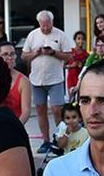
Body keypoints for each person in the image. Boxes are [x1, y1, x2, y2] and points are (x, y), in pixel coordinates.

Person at [23, 10, 73, 151]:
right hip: (37, 79)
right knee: (40, 109)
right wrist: (36, 53)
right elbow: (24, 56)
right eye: (43, 25)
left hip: (55, 78)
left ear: (52, 22)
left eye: (48, 25)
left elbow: (68, 56)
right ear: (39, 23)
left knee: (57, 109)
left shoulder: (60, 35)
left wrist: (53, 52)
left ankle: (60, 139)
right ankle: (45, 140)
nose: (45, 28)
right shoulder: (32, 35)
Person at [0, 42, 32, 126]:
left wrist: (16, 127)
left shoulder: (23, 81)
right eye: (5, 54)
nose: (9, 57)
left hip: (15, 124)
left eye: (12, 54)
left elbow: (26, 111)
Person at [66, 30, 89, 95]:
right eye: (78, 39)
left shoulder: (86, 54)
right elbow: (63, 66)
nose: (81, 41)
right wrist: (71, 66)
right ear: (75, 40)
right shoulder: (70, 52)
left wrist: (82, 64)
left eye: (83, 39)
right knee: (72, 98)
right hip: (71, 79)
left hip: (81, 80)